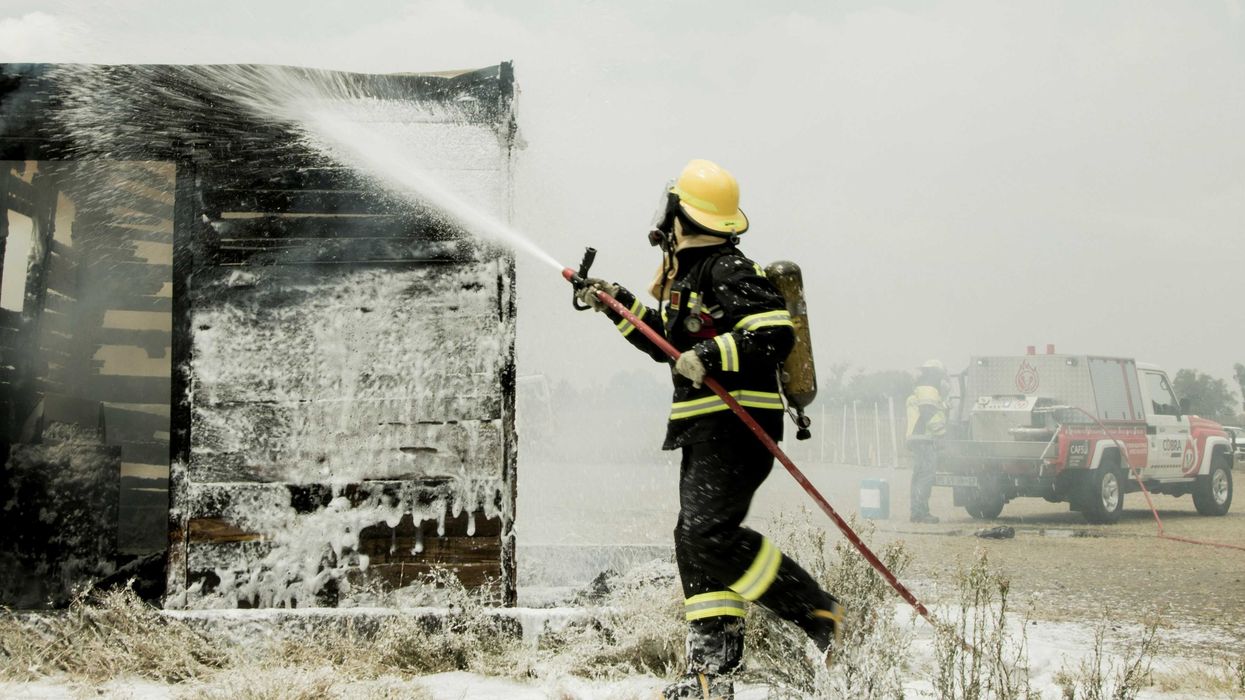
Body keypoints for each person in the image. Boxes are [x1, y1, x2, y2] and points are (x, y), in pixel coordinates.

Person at [576, 159, 843, 700]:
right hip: (706, 431)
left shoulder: (725, 267)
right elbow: (665, 346)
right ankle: (711, 675)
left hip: (738, 427)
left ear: (681, 215)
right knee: (693, 541)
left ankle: (819, 612)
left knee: (707, 536)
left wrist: (709, 353)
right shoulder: (688, 277)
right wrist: (613, 302)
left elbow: (773, 330)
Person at [906, 359, 948, 524]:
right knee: (926, 476)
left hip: (917, 439)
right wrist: (942, 433)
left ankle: (916, 511)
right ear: (935, 374)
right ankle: (920, 513)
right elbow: (928, 413)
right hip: (925, 439)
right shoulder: (929, 390)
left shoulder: (919, 389)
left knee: (918, 477)